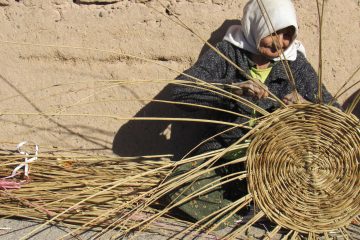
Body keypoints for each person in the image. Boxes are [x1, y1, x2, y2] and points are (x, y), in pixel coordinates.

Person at [163, 0, 340, 229]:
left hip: (277, 167)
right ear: (256, 25)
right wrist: (231, 89)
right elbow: (180, 92)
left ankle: (266, 207)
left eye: (288, 35)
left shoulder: (295, 63)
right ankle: (248, 214)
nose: (281, 43)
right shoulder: (227, 53)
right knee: (177, 187)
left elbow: (335, 113)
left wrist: (304, 105)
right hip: (225, 159)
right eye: (274, 33)